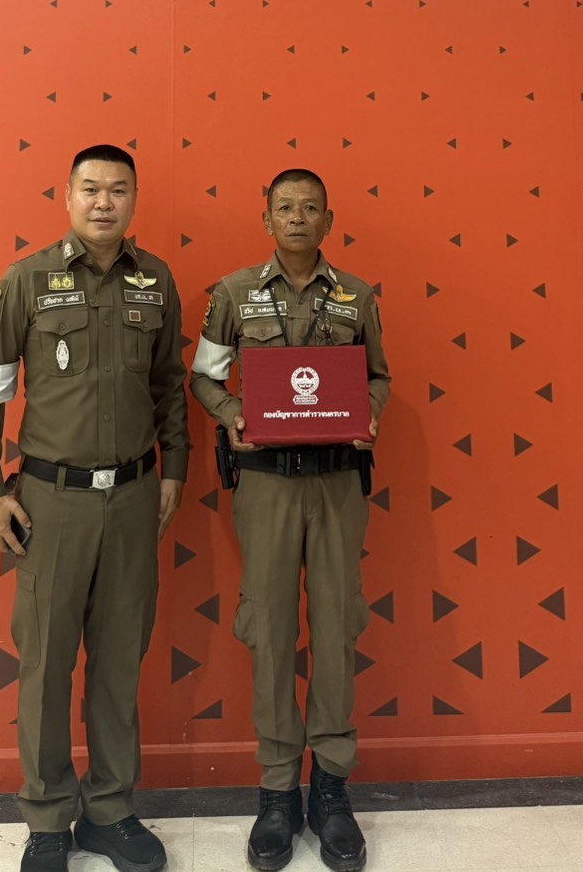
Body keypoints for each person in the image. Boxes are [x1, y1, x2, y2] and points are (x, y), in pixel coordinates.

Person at [0, 144, 189, 872]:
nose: (103, 202)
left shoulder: (156, 280)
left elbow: (169, 385)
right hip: (50, 503)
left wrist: (174, 470)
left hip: (133, 498)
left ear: (133, 200)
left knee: (119, 664)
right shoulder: (26, 280)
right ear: (66, 196)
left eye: (118, 190)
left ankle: (111, 812)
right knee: (46, 667)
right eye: (90, 189)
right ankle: (47, 822)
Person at [189, 170, 390, 872]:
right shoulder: (233, 294)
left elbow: (379, 376)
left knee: (336, 626)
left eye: (310, 208)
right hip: (266, 486)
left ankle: (330, 789)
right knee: (270, 630)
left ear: (328, 220)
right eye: (285, 207)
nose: (298, 217)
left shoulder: (356, 296)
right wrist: (231, 415)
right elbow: (205, 376)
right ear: (266, 219)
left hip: (337, 484)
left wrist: (369, 413)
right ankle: (277, 791)